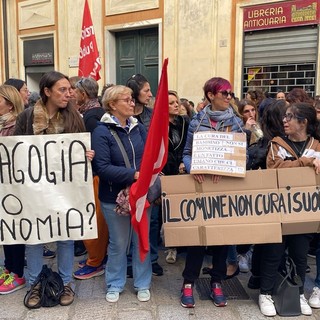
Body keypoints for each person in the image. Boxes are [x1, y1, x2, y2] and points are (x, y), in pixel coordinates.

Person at [14, 71, 93, 308]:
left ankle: (65, 283)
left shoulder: (74, 117)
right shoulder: (27, 117)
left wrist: (86, 155)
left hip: (64, 189)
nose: (69, 94)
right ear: (47, 92)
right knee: (34, 237)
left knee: (66, 237)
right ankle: (35, 285)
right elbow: (17, 149)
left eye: (70, 89)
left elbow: (79, 149)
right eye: (62, 89)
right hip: (34, 188)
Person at [180, 77, 244, 309]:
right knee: (198, 238)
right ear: (210, 95)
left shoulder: (236, 123)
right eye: (224, 93)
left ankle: (217, 281)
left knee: (221, 238)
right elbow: (186, 153)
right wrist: (191, 167)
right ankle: (188, 283)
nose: (229, 97)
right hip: (201, 188)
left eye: (230, 93)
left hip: (225, 188)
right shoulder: (196, 122)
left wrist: (226, 170)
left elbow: (241, 156)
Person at [258, 102, 320, 317]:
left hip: (304, 211)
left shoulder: (317, 145)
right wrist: (306, 162)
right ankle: (265, 293)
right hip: (278, 209)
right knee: (273, 253)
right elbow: (274, 167)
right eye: (285, 116)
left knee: (300, 255)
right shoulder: (277, 144)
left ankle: (300, 293)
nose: (285, 120)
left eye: (290, 117)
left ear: (303, 122)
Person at [91, 85, 152, 303]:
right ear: (112, 104)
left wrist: (149, 173)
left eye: (131, 99)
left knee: (141, 239)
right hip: (113, 197)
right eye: (126, 100)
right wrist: (134, 174)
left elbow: (150, 154)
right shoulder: (101, 131)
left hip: (141, 195)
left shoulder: (138, 127)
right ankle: (114, 284)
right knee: (118, 243)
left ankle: (142, 283)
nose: (132, 103)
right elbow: (102, 167)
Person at [126, 74, 163, 277]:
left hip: (150, 176)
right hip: (131, 175)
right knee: (132, 220)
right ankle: (131, 260)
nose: (150, 94)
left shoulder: (152, 115)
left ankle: (152, 258)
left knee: (153, 220)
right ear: (135, 92)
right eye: (146, 90)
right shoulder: (126, 116)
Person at [72, 77, 108, 279]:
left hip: (93, 176)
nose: (72, 95)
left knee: (94, 220)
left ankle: (96, 261)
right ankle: (96, 258)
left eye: (75, 92)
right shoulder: (96, 114)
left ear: (83, 94)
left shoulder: (91, 118)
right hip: (95, 176)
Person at [0, 85, 25, 294]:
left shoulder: (18, 124)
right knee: (4, 230)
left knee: (14, 229)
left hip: (15, 186)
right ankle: (8, 267)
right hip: (2, 185)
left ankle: (17, 272)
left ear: (9, 102)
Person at [162, 90, 189, 264]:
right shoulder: (158, 124)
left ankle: (181, 244)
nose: (176, 105)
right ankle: (170, 246)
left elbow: (188, 144)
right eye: (171, 103)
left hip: (181, 170)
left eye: (177, 102)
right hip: (165, 171)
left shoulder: (185, 122)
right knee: (166, 212)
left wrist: (184, 162)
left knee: (182, 210)